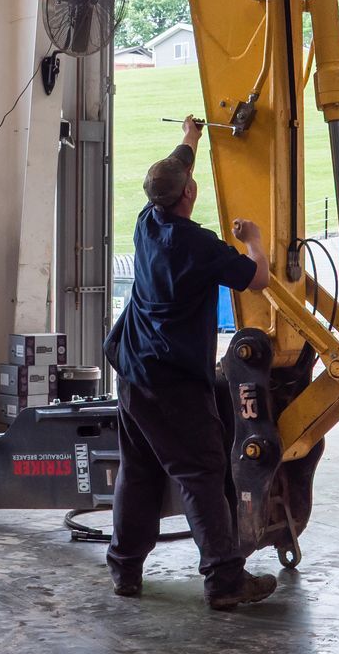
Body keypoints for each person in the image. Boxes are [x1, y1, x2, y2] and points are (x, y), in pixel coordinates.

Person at [104, 115, 276, 610]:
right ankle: (225, 580)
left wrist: (191, 135)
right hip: (173, 381)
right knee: (201, 473)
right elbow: (258, 279)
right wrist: (253, 238)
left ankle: (125, 569)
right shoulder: (198, 246)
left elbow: (173, 168)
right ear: (189, 196)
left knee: (138, 471)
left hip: (132, 369)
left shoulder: (146, 221)